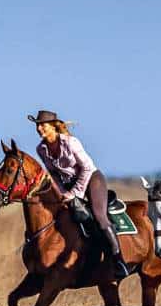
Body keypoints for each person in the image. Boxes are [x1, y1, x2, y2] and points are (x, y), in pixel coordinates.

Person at [29, 110, 130, 277]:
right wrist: (61, 193)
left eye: (42, 125)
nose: (39, 128)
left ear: (53, 126)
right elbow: (53, 174)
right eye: (37, 125)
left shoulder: (71, 142)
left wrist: (75, 193)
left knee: (99, 216)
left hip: (92, 179)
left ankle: (119, 261)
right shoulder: (41, 149)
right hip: (69, 185)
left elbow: (87, 168)